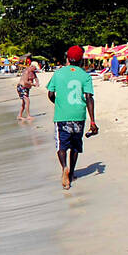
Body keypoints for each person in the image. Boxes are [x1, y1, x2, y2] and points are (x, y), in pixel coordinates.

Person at [46, 46, 97, 190]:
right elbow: (89, 98)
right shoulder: (85, 76)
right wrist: (92, 121)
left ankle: (64, 168)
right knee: (75, 145)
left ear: (67, 57)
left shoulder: (58, 73)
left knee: (62, 145)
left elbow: (50, 94)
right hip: (78, 115)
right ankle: (72, 173)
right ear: (81, 60)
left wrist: (59, 103)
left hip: (62, 115)